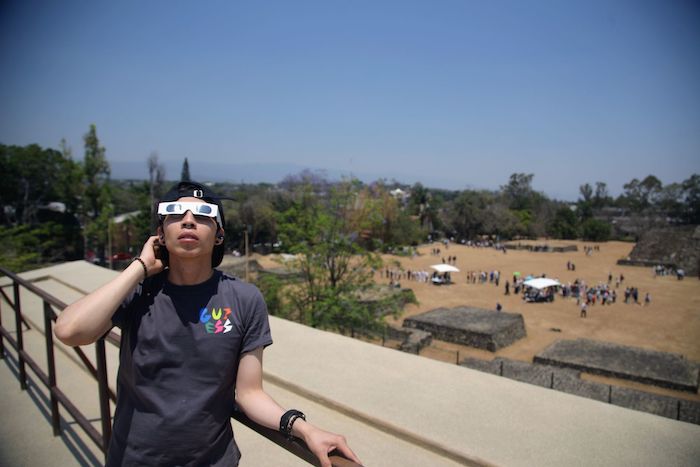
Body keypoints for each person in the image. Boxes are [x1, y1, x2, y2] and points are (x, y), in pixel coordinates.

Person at [55, 181, 360, 467]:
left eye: (203, 215)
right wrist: (139, 268)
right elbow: (69, 331)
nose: (188, 221)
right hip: (134, 458)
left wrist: (303, 429)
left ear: (219, 234)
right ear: (160, 233)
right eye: (174, 213)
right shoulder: (137, 290)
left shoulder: (244, 299)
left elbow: (249, 393)